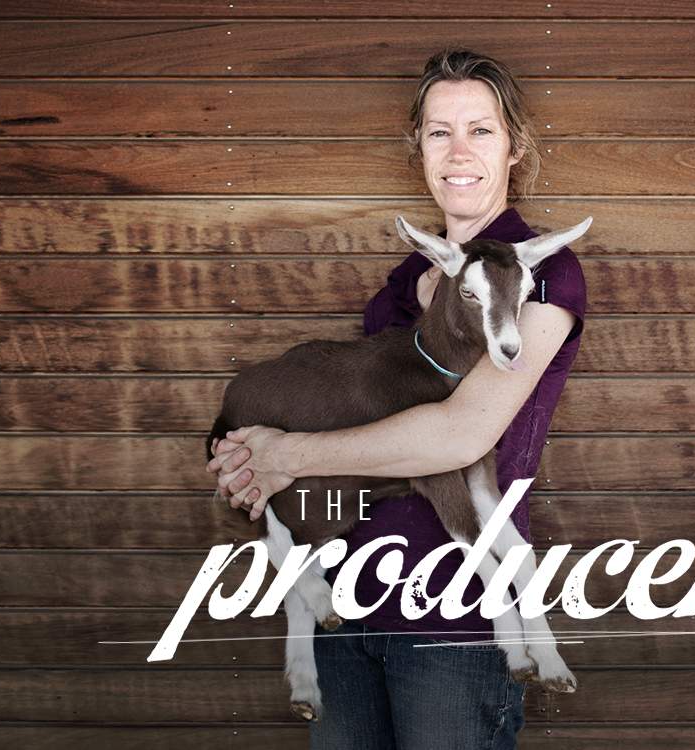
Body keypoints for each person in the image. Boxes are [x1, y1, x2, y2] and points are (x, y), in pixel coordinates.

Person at [206, 47, 587, 750]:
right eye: (440, 131)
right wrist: (248, 464)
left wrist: (285, 454)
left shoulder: (540, 273)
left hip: (458, 618)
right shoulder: (404, 277)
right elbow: (357, 428)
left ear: (515, 148)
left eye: (481, 130)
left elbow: (459, 435)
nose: (458, 152)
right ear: (419, 148)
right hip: (348, 601)